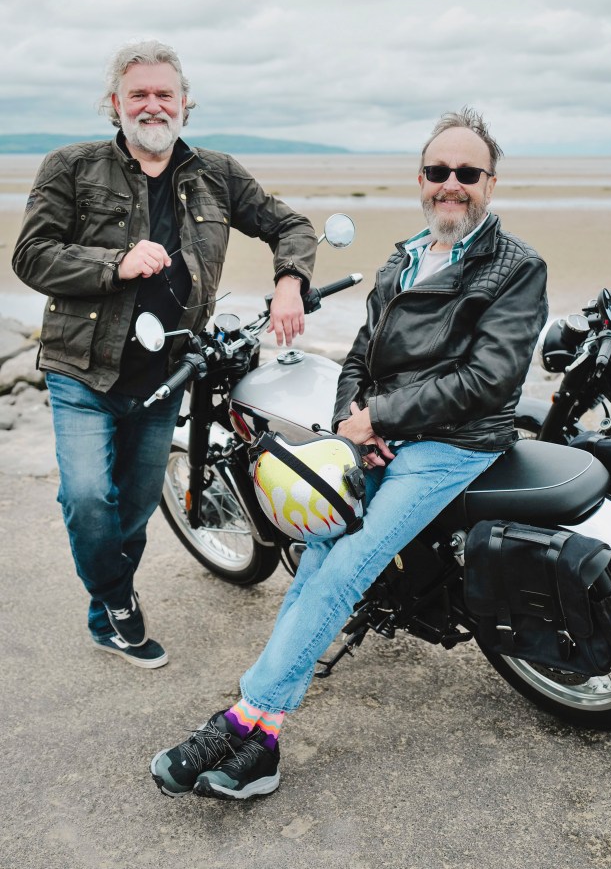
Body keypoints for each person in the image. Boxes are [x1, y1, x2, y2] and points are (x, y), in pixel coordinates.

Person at [150, 107, 548, 798]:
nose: (449, 184)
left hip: (455, 444)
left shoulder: (517, 267)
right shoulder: (406, 255)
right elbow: (360, 354)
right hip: (383, 433)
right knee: (316, 561)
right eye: (437, 171)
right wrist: (350, 422)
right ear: (420, 178)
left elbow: (490, 378)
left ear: (490, 181)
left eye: (466, 173)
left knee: (348, 563)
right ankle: (265, 745)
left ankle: (240, 715)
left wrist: (380, 417)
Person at [12, 40, 317, 670]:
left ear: (185, 104)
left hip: (165, 373)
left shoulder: (218, 174)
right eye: (138, 95)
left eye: (164, 94)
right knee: (89, 497)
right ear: (115, 105)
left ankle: (108, 610)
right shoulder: (71, 166)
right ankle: (118, 603)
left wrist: (290, 280)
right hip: (82, 369)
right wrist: (114, 264)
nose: (153, 106)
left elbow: (291, 225)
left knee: (139, 496)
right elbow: (31, 256)